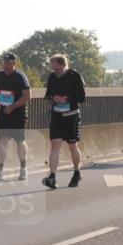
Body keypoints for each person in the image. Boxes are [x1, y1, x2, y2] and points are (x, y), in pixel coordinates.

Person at [42, 54, 86, 189]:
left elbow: (82, 97)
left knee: (72, 146)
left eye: (53, 64)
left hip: (71, 116)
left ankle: (77, 172)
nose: (52, 67)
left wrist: (66, 99)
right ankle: (52, 176)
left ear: (61, 64)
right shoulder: (52, 77)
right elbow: (48, 95)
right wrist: (52, 98)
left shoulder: (74, 75)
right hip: (56, 116)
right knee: (55, 145)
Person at [0, 52, 31, 181]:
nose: (6, 65)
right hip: (3, 113)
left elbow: (27, 96)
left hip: (18, 113)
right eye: (5, 63)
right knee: (2, 140)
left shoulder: (20, 77)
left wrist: (12, 106)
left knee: (20, 141)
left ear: (14, 63)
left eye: (9, 63)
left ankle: (23, 170)